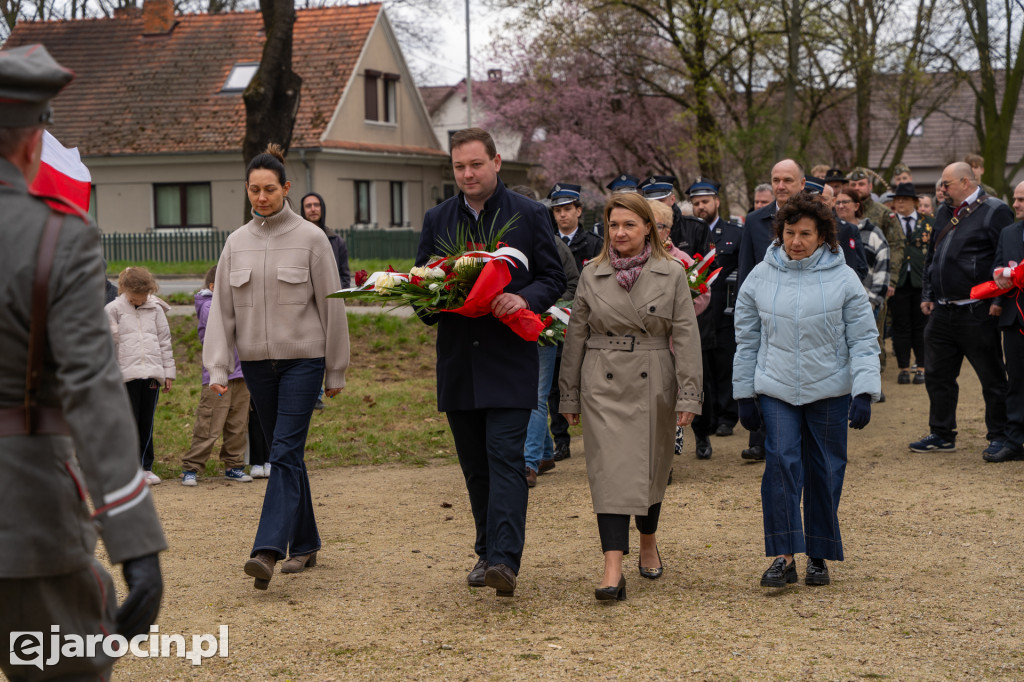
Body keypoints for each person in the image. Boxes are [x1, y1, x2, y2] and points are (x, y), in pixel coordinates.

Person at [0, 44, 165, 681]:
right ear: (32, 143)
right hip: (25, 513)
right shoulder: (57, 236)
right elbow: (94, 396)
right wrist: (138, 546)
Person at [415, 128, 565, 598]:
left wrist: (520, 298)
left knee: (505, 460)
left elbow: (554, 276)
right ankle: (485, 549)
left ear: (496, 162)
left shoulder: (530, 213)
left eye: (475, 165)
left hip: (509, 360)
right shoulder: (437, 218)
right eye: (459, 167)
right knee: (475, 466)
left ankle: (504, 561)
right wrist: (432, 300)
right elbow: (421, 284)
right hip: (460, 362)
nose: (467, 174)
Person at [204, 143, 349, 589]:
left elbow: (333, 306)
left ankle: (267, 549)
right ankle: (305, 542)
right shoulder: (235, 242)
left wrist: (335, 370)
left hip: (303, 361)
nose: (262, 197)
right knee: (289, 455)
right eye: (254, 190)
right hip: (256, 365)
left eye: (270, 189)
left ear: (286, 188)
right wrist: (217, 367)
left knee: (282, 453)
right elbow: (223, 311)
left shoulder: (312, 238)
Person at [559, 192, 702, 601]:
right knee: (608, 471)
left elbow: (687, 336)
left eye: (629, 225)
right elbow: (575, 337)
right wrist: (568, 395)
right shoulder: (592, 272)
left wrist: (689, 394)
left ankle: (648, 539)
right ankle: (611, 568)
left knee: (651, 467)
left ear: (647, 229)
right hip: (602, 380)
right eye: (613, 225)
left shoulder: (671, 272)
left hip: (653, 375)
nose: (620, 233)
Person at [733, 193, 880, 588]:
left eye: (805, 234)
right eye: (789, 232)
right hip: (776, 386)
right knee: (780, 463)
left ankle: (818, 552)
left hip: (830, 388)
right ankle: (783, 555)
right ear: (778, 233)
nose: (796, 241)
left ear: (822, 236)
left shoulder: (844, 277)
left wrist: (864, 391)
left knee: (825, 469)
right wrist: (744, 394)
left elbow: (864, 339)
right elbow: (747, 340)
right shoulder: (760, 277)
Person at [910, 162, 1013, 458]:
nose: (941, 189)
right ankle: (942, 433)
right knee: (937, 375)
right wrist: (928, 293)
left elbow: (1002, 259)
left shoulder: (995, 210)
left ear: (965, 182)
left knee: (992, 377)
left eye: (946, 184)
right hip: (942, 311)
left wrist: (997, 302)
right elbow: (932, 256)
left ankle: (1000, 434)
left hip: (977, 311)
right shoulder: (944, 210)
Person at [736, 159, 805, 461]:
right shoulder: (754, 220)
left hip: (804, 311)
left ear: (801, 183)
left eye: (787, 179)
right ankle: (759, 439)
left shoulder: (816, 219)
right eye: (776, 179)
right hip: (765, 311)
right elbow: (746, 270)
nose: (780, 186)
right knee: (762, 370)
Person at [512, 183, 579, 486]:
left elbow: (572, 285)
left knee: (536, 396)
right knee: (526, 393)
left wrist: (547, 310)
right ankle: (546, 452)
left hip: (543, 327)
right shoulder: (505, 243)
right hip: (513, 327)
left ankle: (528, 463)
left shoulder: (553, 244)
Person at [181, 266, 253, 486]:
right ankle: (191, 467)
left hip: (242, 374)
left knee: (238, 424)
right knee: (209, 423)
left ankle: (234, 464)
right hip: (218, 375)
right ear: (213, 287)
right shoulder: (208, 305)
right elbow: (228, 325)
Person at [106, 266, 176, 485]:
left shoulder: (155, 309)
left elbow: (165, 341)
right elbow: (108, 346)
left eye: (143, 297)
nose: (140, 301)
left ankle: (146, 467)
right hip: (125, 377)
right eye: (135, 298)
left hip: (152, 376)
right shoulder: (112, 310)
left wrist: (168, 373)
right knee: (128, 423)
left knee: (147, 422)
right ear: (124, 290)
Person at [687, 178, 742, 455]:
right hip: (696, 314)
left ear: (717, 202)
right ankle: (706, 419)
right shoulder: (688, 232)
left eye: (705, 201)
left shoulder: (733, 232)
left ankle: (727, 417)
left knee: (725, 367)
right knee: (703, 370)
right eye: (696, 203)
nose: (701, 207)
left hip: (723, 311)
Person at [547, 182, 601, 462]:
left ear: (579, 211)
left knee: (590, 379)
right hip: (556, 322)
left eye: (567, 209)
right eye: (557, 210)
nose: (562, 215)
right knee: (556, 383)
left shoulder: (594, 244)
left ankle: (596, 436)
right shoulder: (546, 242)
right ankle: (561, 439)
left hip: (590, 322)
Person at [988, 181, 1024, 462]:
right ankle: (1014, 440)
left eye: (1022, 200)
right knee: (1016, 381)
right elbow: (998, 266)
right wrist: (998, 299)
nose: (1015, 204)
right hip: (1014, 319)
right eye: (1015, 199)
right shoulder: (1008, 232)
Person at [888, 183, 933, 385]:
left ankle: (921, 366)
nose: (900, 203)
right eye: (897, 200)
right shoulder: (889, 223)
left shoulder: (929, 222)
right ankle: (904, 368)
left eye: (904, 200)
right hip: (897, 281)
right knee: (900, 326)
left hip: (920, 280)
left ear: (915, 202)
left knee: (921, 325)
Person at [835, 189, 890, 315]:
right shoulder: (830, 233)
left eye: (845, 202)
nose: (841, 206)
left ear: (856, 206)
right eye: (837, 203)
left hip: (866, 305)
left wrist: (872, 302)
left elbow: (882, 269)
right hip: (839, 305)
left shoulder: (873, 233)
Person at [642, 174, 710, 258]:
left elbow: (708, 266)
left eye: (661, 201)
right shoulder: (639, 229)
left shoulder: (696, 227)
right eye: (651, 202)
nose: (656, 206)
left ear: (672, 200)